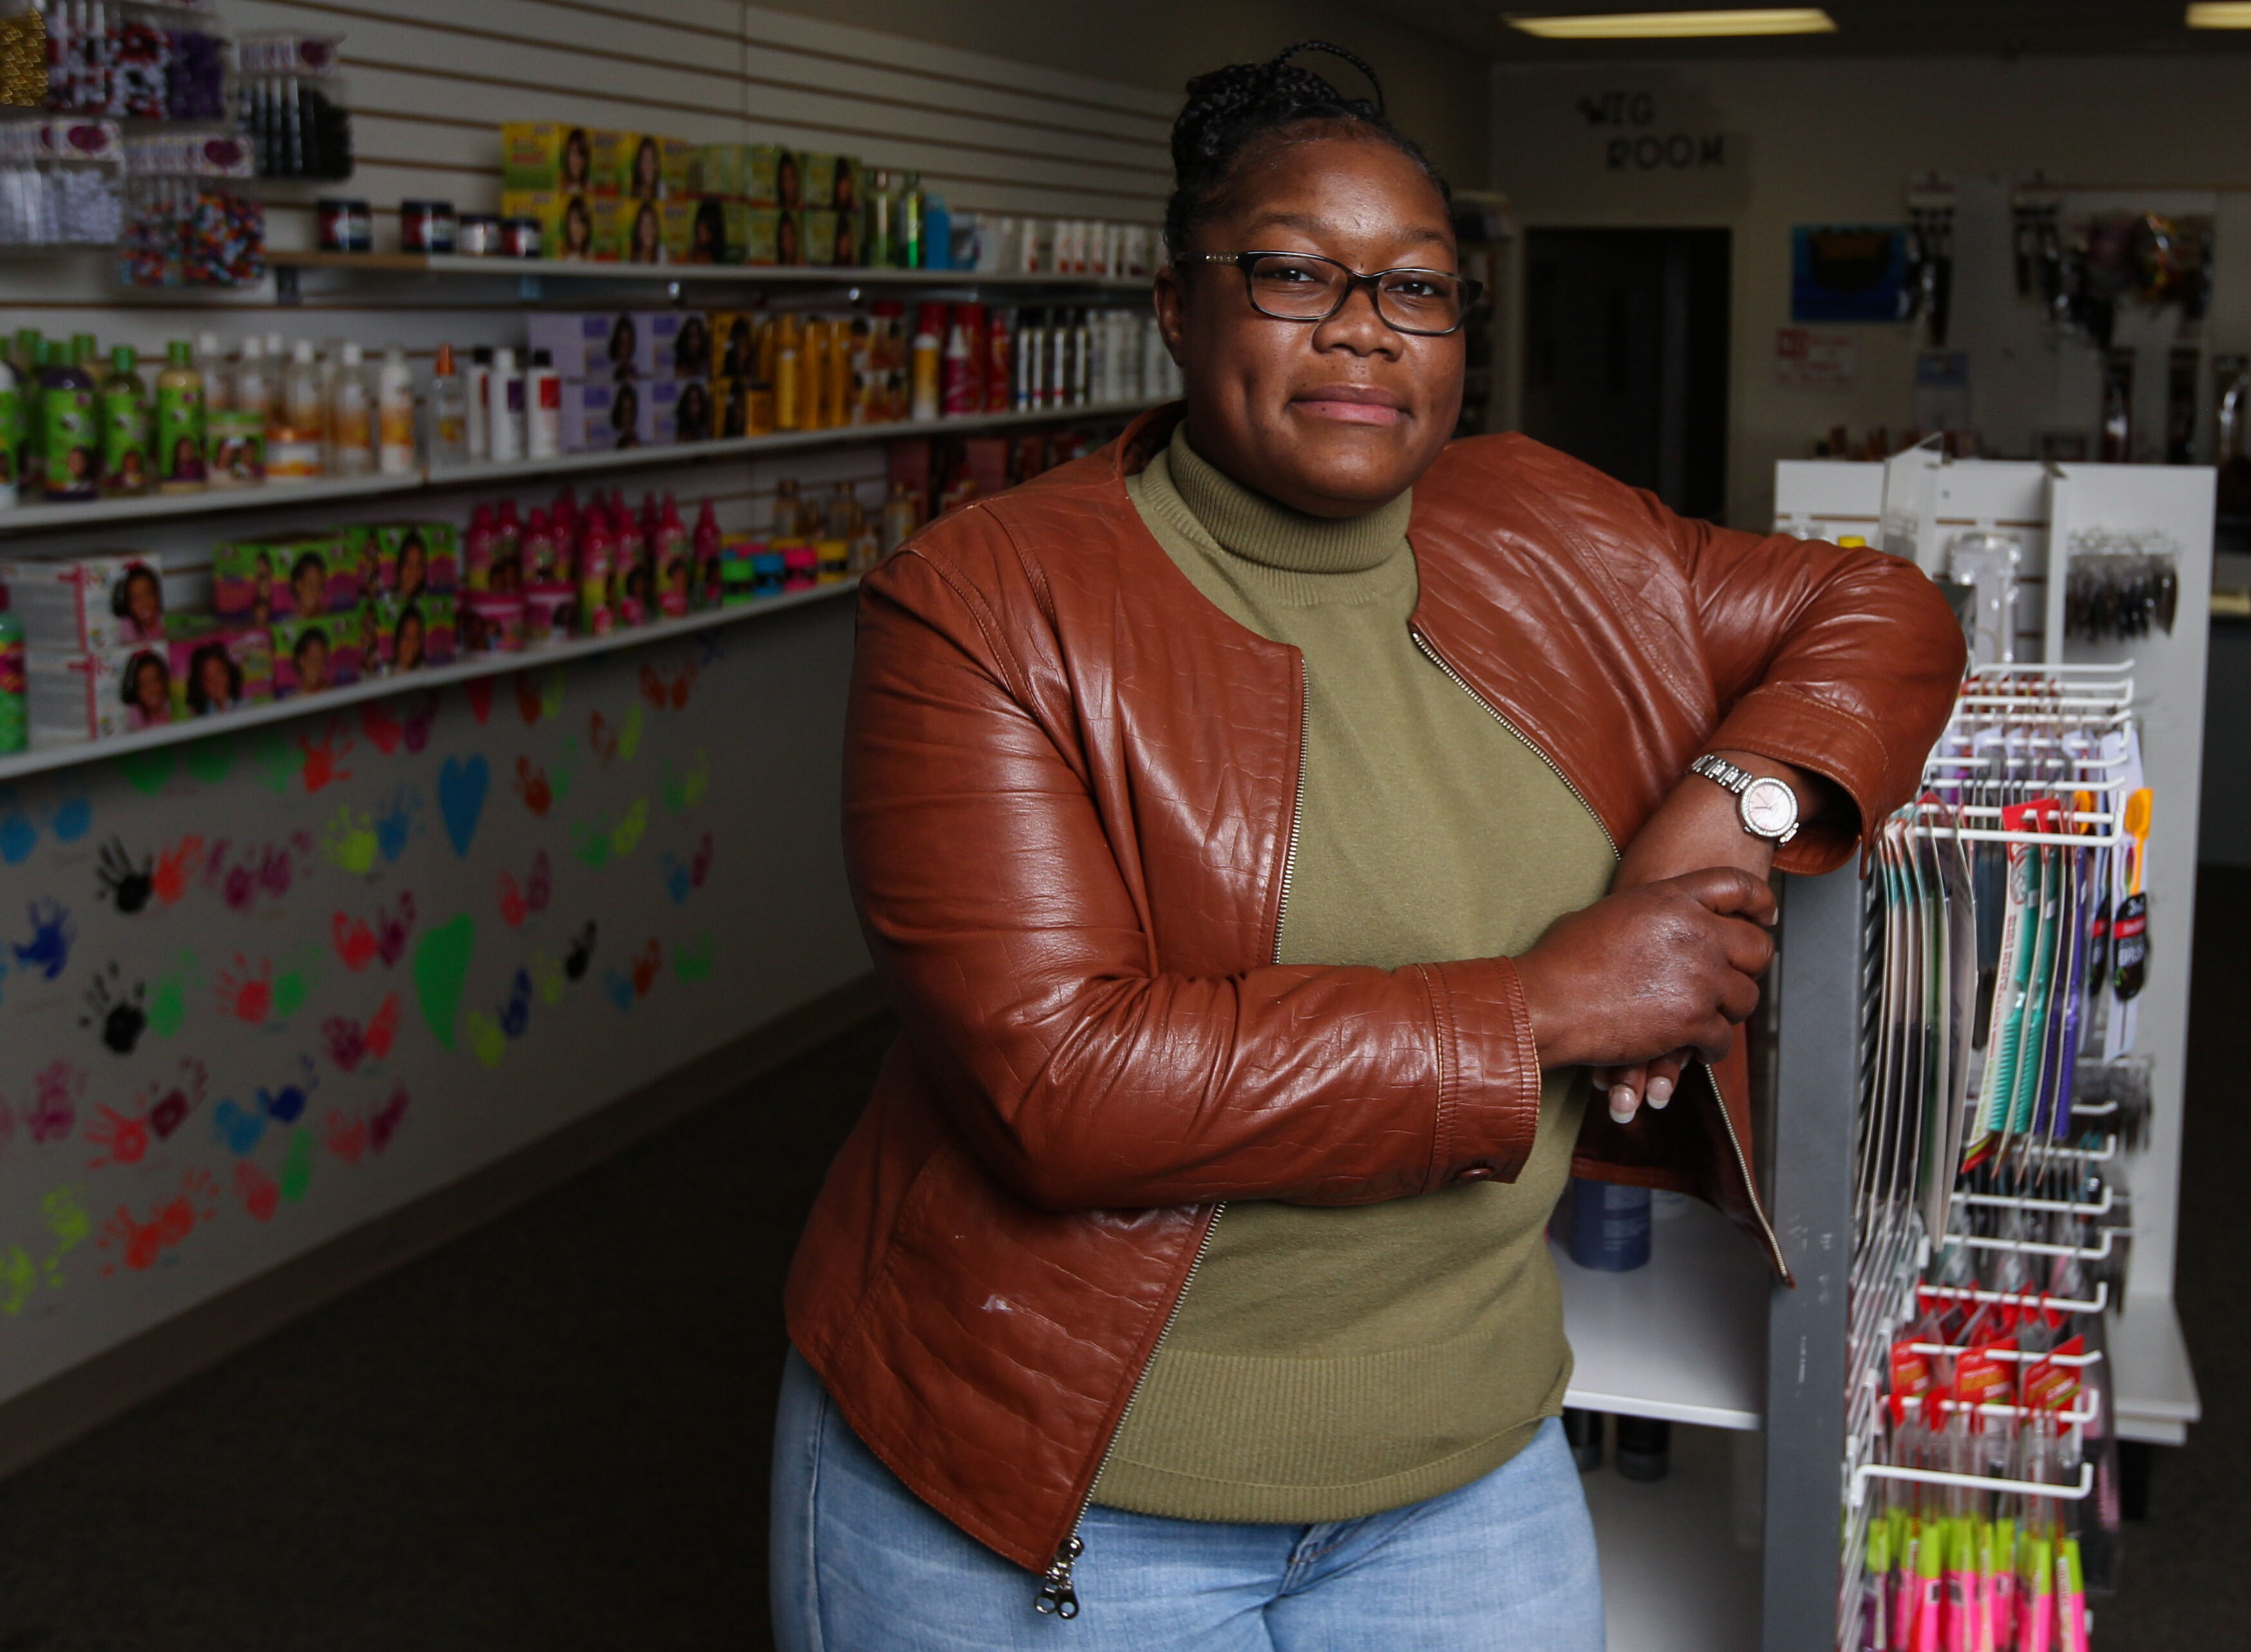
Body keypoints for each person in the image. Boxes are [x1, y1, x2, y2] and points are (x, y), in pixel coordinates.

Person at [773, 39, 1967, 1652]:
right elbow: (1055, 1085)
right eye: (1289, 272)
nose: (1361, 324)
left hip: (1462, 1468)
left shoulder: (1553, 529)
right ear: (1174, 305)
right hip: (1062, 1495)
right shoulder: (989, 601)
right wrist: (1542, 1008)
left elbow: (1876, 606)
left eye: (1418, 288)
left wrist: (1729, 806)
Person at [185, 641, 241, 715]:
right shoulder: (198, 714)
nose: (216, 682)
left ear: (230, 672)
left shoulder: (247, 703)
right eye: (209, 679)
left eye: (221, 673)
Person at [112, 563, 164, 640]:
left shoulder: (166, 622)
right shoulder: (127, 627)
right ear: (127, 604)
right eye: (135, 599)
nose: (143, 604)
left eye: (148, 594)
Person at [120, 650, 170, 729]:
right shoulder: (135, 715)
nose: (151, 690)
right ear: (135, 690)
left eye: (156, 681)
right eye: (143, 685)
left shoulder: (175, 706)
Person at [290, 626, 331, 695]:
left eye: (323, 660)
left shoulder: (334, 692)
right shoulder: (292, 701)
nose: (319, 666)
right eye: (314, 660)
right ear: (301, 660)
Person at [289, 550, 328, 618]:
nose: (316, 592)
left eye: (320, 586)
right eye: (311, 586)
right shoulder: (289, 621)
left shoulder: (330, 615)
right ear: (298, 585)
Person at [396, 531, 428, 605]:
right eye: (408, 563)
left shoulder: (428, 600)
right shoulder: (387, 597)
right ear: (400, 565)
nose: (413, 571)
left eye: (418, 565)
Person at [393, 605, 425, 673]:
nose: (411, 644)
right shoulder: (385, 675)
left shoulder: (427, 672)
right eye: (406, 636)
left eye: (416, 638)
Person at [561, 127, 591, 192]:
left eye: (582, 155)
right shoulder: (559, 184)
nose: (578, 161)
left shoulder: (589, 188)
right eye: (574, 153)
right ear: (567, 155)